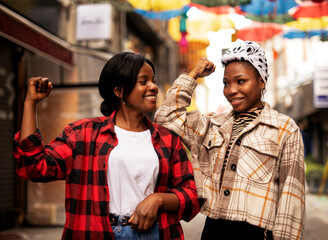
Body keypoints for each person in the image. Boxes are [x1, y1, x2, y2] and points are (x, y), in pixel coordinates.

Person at [13, 52, 200, 240]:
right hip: (96, 233)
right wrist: (30, 103)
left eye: (153, 80)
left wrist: (158, 199)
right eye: (143, 82)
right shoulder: (83, 134)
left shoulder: (167, 139)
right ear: (119, 92)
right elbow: (34, 167)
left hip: (156, 233)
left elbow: (191, 195)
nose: (154, 87)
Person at [155, 40, 305, 239]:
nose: (231, 90)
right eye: (226, 83)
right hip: (213, 231)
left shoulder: (284, 129)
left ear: (261, 81)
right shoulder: (211, 125)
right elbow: (166, 117)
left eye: (241, 81)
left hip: (258, 234)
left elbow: (291, 199)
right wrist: (192, 76)